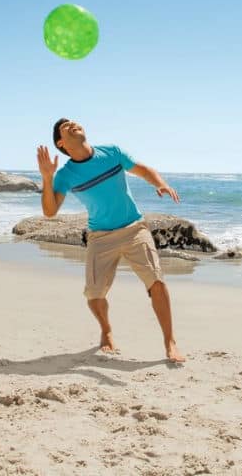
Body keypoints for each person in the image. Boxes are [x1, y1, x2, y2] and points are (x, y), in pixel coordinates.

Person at [37, 118, 185, 363]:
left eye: (73, 121)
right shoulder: (65, 176)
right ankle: (106, 330)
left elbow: (143, 170)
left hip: (134, 228)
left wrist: (161, 184)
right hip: (100, 237)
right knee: (94, 295)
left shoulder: (112, 153)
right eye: (65, 126)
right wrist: (47, 178)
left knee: (156, 281)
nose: (72, 124)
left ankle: (170, 342)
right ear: (61, 143)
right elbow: (50, 211)